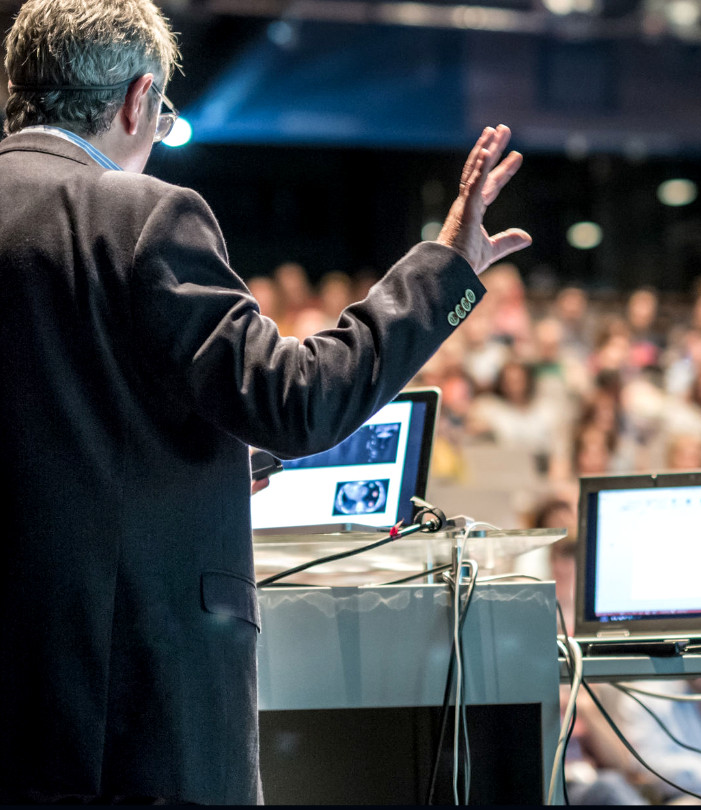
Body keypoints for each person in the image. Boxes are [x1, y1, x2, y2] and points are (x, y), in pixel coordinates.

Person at [0, 1, 531, 802]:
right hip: (129, 697)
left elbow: (55, 423)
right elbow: (298, 402)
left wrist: (200, 463)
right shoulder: (136, 213)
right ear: (139, 100)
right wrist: (446, 266)